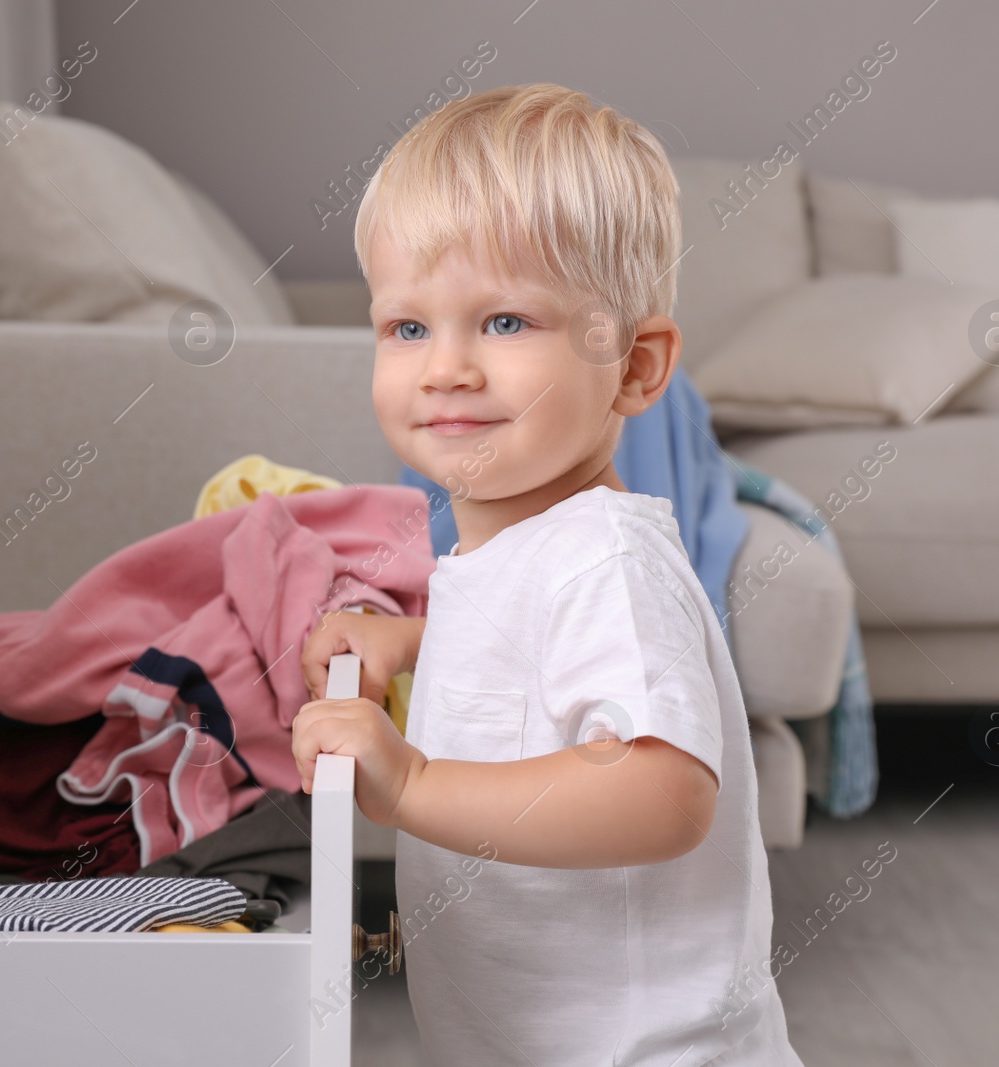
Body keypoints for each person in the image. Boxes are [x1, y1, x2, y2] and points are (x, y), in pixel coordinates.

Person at [293, 82, 802, 1065]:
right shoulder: (515, 548)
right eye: (407, 327)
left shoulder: (605, 560)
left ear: (637, 368)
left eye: (504, 323)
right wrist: (408, 640)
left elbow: (661, 792)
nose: (445, 366)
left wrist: (413, 780)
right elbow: (523, 661)